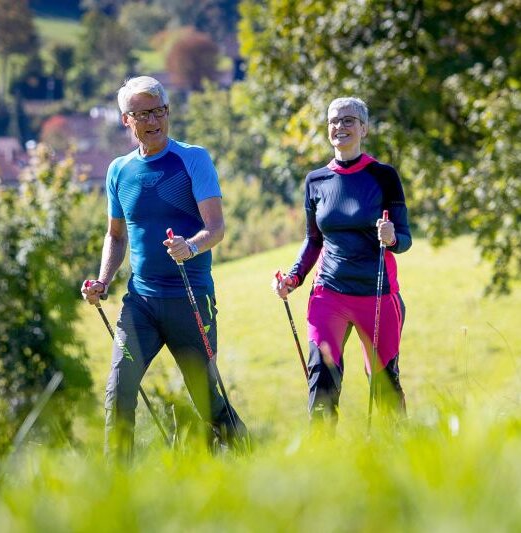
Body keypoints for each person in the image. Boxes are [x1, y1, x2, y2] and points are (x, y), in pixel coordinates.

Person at [81, 76, 246, 460]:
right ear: (126, 120)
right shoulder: (118, 170)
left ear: (168, 112)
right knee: (118, 392)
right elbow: (116, 236)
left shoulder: (192, 158)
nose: (152, 120)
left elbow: (216, 228)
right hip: (141, 302)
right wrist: (103, 280)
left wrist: (191, 246)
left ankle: (245, 457)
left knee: (207, 400)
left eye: (158, 111)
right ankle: (117, 486)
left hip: (189, 299)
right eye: (141, 113)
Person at [273, 96, 412, 425]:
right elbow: (313, 240)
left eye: (348, 120)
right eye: (334, 121)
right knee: (321, 377)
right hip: (329, 294)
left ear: (363, 128)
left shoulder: (384, 176)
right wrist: (293, 278)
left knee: (385, 386)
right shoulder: (316, 180)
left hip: (377, 295)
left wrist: (392, 237)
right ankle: (321, 462)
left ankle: (398, 458)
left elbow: (405, 239)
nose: (340, 127)